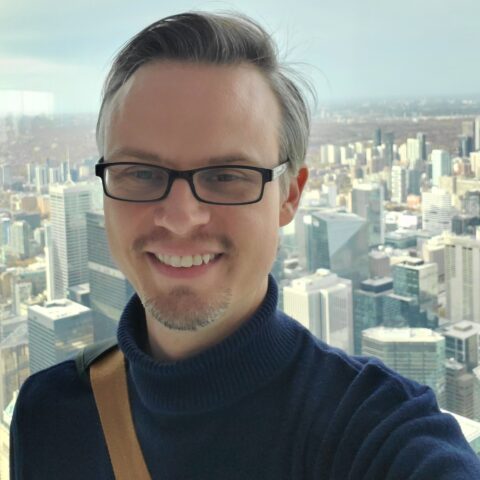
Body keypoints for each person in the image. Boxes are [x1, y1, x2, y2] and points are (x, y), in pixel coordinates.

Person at [10, 11, 480, 480]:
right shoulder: (48, 415)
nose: (180, 218)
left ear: (289, 196)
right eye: (141, 173)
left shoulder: (376, 433)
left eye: (226, 177)